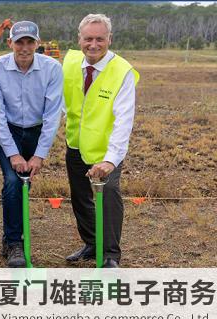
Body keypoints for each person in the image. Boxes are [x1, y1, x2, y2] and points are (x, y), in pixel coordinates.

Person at [63, 14, 139, 268]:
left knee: (108, 195)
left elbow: (123, 119)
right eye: (88, 39)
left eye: (100, 39)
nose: (93, 44)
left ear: (110, 39)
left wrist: (111, 159)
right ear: (79, 39)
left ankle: (109, 255)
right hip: (75, 143)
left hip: (107, 150)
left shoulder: (122, 71)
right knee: (80, 197)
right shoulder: (70, 62)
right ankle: (91, 243)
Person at [0, 21, 63, 267]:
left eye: (30, 42)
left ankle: (13, 233)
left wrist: (39, 155)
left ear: (38, 44)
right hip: (7, 130)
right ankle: (13, 242)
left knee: (23, 185)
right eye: (19, 42)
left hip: (37, 129)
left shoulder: (52, 68)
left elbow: (53, 115)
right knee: (12, 181)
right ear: (10, 44)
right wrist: (13, 154)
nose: (25, 47)